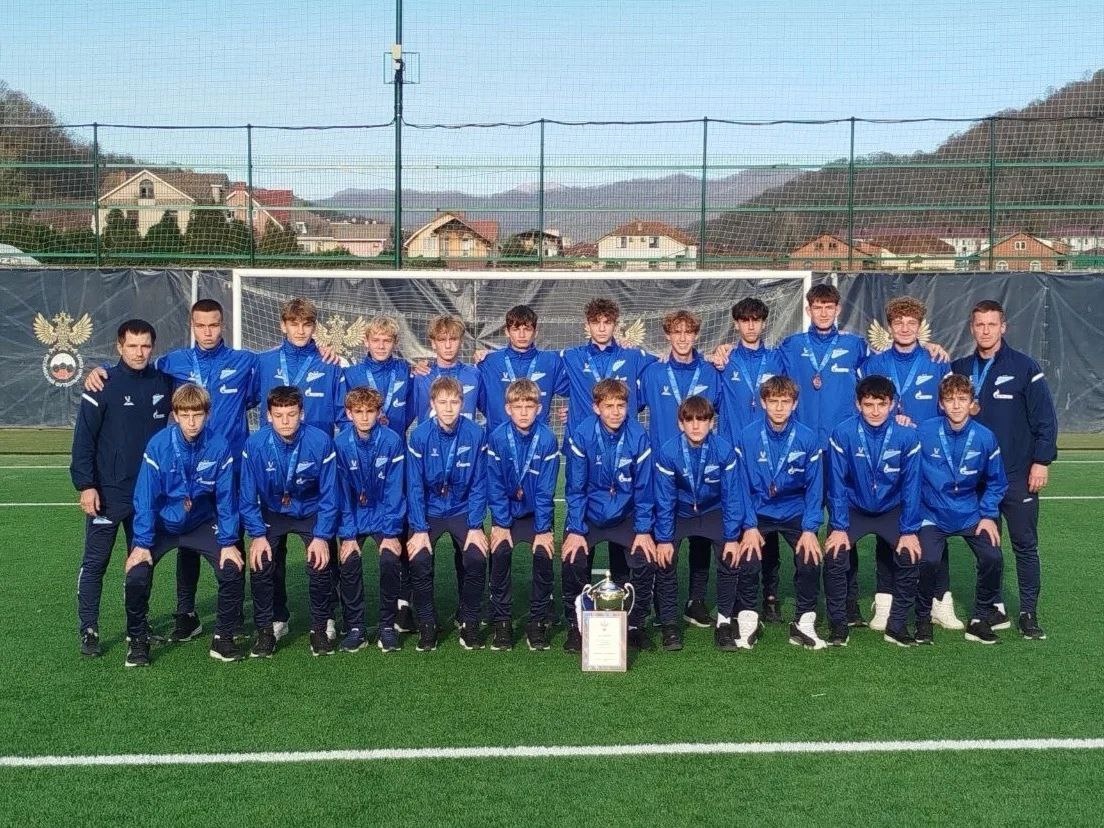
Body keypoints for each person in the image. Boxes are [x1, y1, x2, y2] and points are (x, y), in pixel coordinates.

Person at [86, 299, 258, 644]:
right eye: (201, 325)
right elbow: (137, 369)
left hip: (229, 467)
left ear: (223, 325)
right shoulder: (172, 363)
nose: (207, 332)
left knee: (230, 540)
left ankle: (234, 616)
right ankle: (186, 613)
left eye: (214, 325)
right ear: (192, 326)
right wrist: (102, 369)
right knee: (187, 541)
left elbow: (255, 396)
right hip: (186, 468)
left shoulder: (246, 362)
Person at [951, 299, 1056, 640]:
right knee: (988, 549)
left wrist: (1041, 461)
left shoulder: (1025, 367)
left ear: (1003, 327)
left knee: (1024, 545)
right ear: (972, 328)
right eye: (979, 324)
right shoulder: (959, 368)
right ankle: (993, 607)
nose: (985, 330)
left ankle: (1028, 612)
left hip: (1016, 474)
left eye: (991, 324)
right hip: (978, 480)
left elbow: (1045, 419)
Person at [70, 319, 174, 657]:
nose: (139, 352)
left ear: (153, 347)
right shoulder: (102, 383)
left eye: (145, 346)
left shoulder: (164, 382)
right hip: (108, 493)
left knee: (141, 562)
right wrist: (87, 485)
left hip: (148, 494)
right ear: (119, 346)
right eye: (132, 345)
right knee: (96, 563)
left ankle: (138, 629)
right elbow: (84, 440)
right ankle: (89, 629)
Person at [122, 384, 245, 666]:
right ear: (175, 415)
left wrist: (228, 542)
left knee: (232, 568)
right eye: (185, 415)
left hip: (200, 522)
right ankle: (137, 641)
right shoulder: (159, 445)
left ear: (207, 414)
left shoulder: (219, 445)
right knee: (137, 574)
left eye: (197, 415)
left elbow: (227, 498)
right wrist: (142, 543)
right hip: (163, 525)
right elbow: (145, 497)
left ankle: (223, 639)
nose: (192, 422)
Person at [860, 297, 956, 632]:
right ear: (890, 327)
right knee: (887, 527)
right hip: (885, 456)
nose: (904, 328)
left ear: (920, 326)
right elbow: (862, 406)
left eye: (911, 323)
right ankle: (885, 600)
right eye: (898, 322)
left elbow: (952, 405)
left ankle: (939, 601)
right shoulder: (873, 363)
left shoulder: (937, 361)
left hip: (928, 459)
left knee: (934, 528)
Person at [240, 385, 344, 658]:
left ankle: (321, 626)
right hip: (273, 511)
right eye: (279, 415)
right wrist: (257, 535)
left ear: (302, 414)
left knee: (320, 562)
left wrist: (321, 536)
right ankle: (270, 625)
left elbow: (330, 495)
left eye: (291, 414)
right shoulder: (255, 445)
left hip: (310, 510)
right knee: (262, 562)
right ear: (268, 416)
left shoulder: (320, 441)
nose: (285, 421)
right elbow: (247, 497)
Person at [653, 396, 759, 652]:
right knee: (665, 559)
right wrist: (664, 539)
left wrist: (732, 538)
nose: (695, 426)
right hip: (680, 511)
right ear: (680, 424)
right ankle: (669, 624)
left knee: (730, 557)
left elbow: (732, 496)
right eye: (689, 420)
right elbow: (665, 500)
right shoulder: (668, 451)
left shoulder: (723, 450)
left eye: (702, 420)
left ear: (712, 423)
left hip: (712, 510)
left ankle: (724, 623)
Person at [639, 310, 722, 629]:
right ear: (667, 336)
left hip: (701, 466)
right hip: (663, 469)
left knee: (701, 536)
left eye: (689, 332)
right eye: (677, 332)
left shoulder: (711, 372)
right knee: (664, 533)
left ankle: (695, 601)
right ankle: (663, 604)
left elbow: (723, 412)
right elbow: (628, 408)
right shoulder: (653, 373)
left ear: (696, 335)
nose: (683, 338)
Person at [825, 376, 923, 648]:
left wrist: (909, 530)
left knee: (910, 554)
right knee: (835, 555)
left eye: (881, 404)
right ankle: (838, 624)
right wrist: (839, 527)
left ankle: (897, 625)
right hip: (854, 509)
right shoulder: (843, 433)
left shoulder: (907, 436)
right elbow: (836, 483)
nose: (876, 411)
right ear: (858, 405)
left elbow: (912, 486)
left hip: (891, 509)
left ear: (892, 405)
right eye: (869, 405)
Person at [562, 378, 657, 652]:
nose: (615, 412)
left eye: (621, 406)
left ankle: (634, 625)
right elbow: (575, 488)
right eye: (609, 406)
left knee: (644, 558)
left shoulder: (638, 436)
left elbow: (644, 489)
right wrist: (576, 530)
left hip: (625, 515)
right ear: (596, 408)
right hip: (589, 515)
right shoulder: (582, 434)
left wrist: (643, 530)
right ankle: (576, 625)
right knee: (573, 558)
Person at [915, 374, 1009, 645]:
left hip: (970, 513)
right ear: (940, 404)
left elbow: (997, 481)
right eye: (949, 399)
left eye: (962, 399)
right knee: (928, 561)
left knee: (993, 557)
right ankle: (923, 619)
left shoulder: (985, 437)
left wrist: (988, 515)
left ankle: (980, 618)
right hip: (932, 514)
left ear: (972, 403)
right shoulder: (924, 431)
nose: (956, 405)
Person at [738, 376, 827, 650]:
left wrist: (810, 529)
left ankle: (803, 621)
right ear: (763, 402)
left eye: (785, 402)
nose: (779, 407)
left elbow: (815, 488)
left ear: (795, 404)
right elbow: (741, 486)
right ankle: (748, 618)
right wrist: (749, 525)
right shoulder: (748, 436)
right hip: (758, 511)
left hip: (793, 511)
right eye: (773, 401)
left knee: (810, 558)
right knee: (748, 558)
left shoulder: (808, 438)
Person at [712, 297, 786, 623]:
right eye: (745, 320)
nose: (751, 325)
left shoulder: (777, 359)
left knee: (770, 522)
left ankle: (770, 594)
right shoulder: (724, 361)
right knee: (738, 521)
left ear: (764, 323)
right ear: (736, 324)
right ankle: (742, 595)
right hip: (734, 456)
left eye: (756, 320)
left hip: (770, 453)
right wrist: (712, 354)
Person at [406, 376, 489, 652]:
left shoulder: (476, 434)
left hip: (462, 510)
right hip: (429, 511)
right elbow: (414, 486)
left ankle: (469, 620)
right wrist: (419, 529)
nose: (449, 408)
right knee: (419, 559)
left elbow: (479, 483)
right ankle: (427, 623)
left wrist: (475, 525)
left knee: (476, 557)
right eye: (443, 402)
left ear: (462, 404)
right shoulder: (419, 436)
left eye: (454, 402)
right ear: (432, 404)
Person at [485, 379, 561, 651]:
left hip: (535, 516)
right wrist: (501, 523)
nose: (524, 412)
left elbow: (545, 491)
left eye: (529, 406)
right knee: (500, 553)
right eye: (518, 407)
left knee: (543, 555)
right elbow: (494, 486)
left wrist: (543, 530)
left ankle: (537, 621)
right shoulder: (497, 438)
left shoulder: (547, 439)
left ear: (539, 408)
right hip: (507, 514)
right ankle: (502, 621)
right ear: (508, 409)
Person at [334, 387, 406, 652]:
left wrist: (391, 532)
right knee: (349, 562)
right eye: (359, 412)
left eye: (370, 411)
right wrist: (348, 535)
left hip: (384, 515)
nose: (364, 417)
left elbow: (395, 490)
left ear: (379, 412)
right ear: (348, 414)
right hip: (353, 516)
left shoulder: (392, 440)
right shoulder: (340, 444)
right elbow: (341, 493)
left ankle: (387, 626)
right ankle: (356, 627)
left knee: (389, 561)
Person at [560, 298, 656, 436]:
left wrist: (666, 355)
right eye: (595, 322)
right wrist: (574, 409)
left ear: (615, 325)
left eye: (607, 322)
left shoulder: (633, 356)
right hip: (583, 438)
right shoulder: (571, 357)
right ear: (587, 325)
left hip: (623, 438)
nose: (601, 329)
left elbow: (668, 367)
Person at [253, 297, 345, 435]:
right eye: (294, 324)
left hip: (316, 444)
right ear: (283, 326)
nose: (300, 331)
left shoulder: (329, 364)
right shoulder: (264, 362)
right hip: (272, 445)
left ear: (314, 327)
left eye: (306, 325)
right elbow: (241, 401)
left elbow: (345, 416)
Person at [477, 304, 569, 436]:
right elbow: (475, 397)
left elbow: (578, 389)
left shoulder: (550, 362)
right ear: (507, 332)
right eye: (516, 329)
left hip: (538, 439)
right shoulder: (489, 362)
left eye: (527, 329)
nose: (521, 334)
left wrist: (574, 411)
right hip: (499, 438)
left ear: (536, 332)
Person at [343, 314, 413, 439]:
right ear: (366, 342)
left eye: (387, 341)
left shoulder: (405, 370)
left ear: (395, 343)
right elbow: (343, 414)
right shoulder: (351, 374)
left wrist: (398, 429)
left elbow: (412, 408)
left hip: (396, 444)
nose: (381, 346)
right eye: (375, 340)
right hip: (363, 444)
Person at [410, 315, 482, 425]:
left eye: (453, 339)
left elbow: (494, 412)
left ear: (461, 341)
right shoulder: (421, 376)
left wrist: (490, 356)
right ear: (433, 343)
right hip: (430, 436)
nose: (448, 346)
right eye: (442, 340)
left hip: (464, 436)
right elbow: (404, 415)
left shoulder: (474, 375)